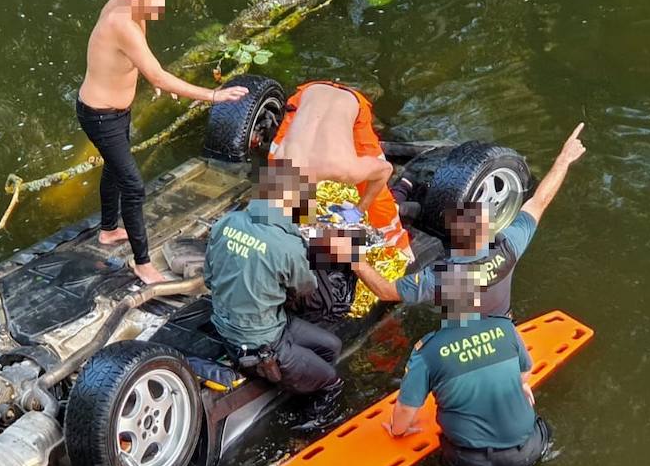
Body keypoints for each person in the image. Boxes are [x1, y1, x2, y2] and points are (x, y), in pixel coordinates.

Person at [77, 0, 249, 285]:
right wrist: (213, 96)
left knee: (114, 169)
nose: (161, 5)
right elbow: (157, 73)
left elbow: (138, 57)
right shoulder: (120, 21)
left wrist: (151, 75)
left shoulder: (132, 9)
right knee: (132, 185)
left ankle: (108, 230)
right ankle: (142, 264)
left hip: (116, 112)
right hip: (100, 116)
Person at [350, 123, 587, 318]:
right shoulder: (507, 249)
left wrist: (354, 259)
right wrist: (564, 160)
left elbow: (386, 291)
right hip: (501, 326)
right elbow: (540, 200)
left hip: (462, 338)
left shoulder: (443, 277)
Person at [388, 264, 551, 466]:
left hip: (470, 462)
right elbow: (526, 371)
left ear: (441, 302)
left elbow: (405, 410)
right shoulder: (505, 328)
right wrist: (520, 385)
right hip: (528, 450)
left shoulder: (427, 351)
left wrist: (397, 430)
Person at [204, 161, 343, 400]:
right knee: (332, 382)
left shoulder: (226, 222)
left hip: (237, 322)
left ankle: (301, 381)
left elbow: (208, 277)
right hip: (260, 342)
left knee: (332, 345)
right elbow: (306, 289)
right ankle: (308, 405)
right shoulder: (288, 246)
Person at [269, 80, 411, 256]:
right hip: (306, 94)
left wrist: (359, 210)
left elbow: (385, 170)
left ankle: (398, 244)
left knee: (378, 200)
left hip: (350, 101)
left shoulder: (343, 169)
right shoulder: (281, 159)